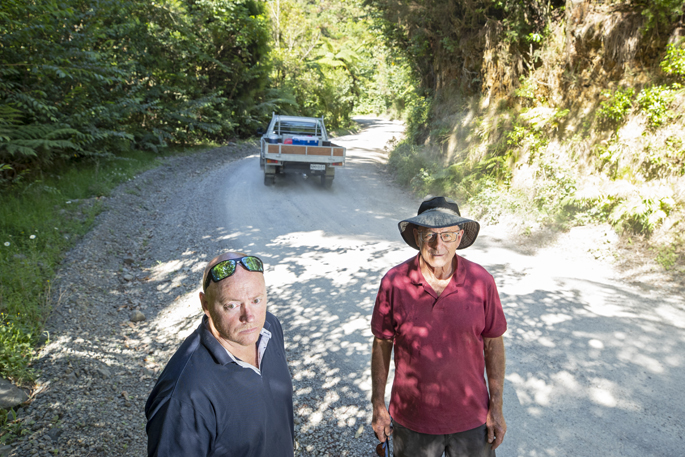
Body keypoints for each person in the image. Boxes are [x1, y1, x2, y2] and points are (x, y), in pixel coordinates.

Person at [371, 196, 507, 457]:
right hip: (412, 420)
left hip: (472, 419)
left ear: (459, 237)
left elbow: (493, 342)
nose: (438, 244)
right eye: (429, 235)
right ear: (417, 236)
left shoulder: (482, 281)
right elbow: (382, 343)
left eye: (446, 235)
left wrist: (496, 407)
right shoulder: (394, 282)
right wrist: (378, 404)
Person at [145, 252, 294, 457]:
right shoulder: (184, 397)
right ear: (205, 305)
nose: (249, 317)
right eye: (232, 305)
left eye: (256, 300)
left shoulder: (269, 327)